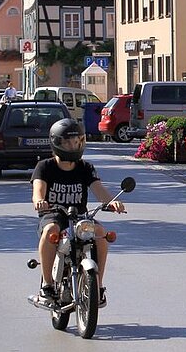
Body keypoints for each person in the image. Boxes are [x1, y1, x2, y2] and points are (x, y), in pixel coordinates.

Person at [32, 118, 126, 309]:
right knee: (51, 230)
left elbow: (99, 189)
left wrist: (111, 202)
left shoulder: (85, 167)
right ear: (57, 142)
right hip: (54, 213)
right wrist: (39, 201)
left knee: (101, 234)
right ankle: (47, 285)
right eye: (68, 142)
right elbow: (38, 191)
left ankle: (97, 287)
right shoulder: (45, 166)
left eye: (77, 141)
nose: (73, 145)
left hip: (80, 217)